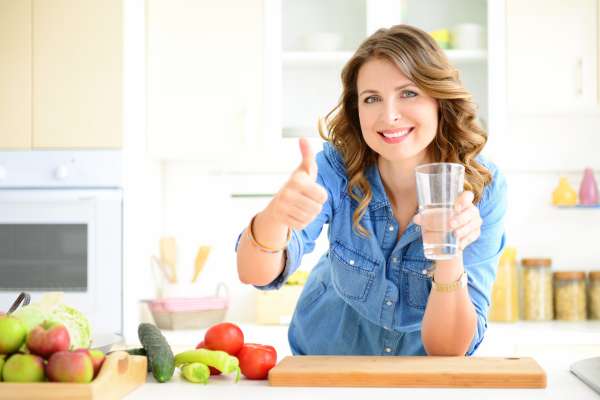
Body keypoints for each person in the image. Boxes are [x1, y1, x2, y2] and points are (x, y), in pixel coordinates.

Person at [235, 24, 506, 356]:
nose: (389, 116)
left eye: (408, 93)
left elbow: (448, 348)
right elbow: (254, 273)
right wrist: (276, 216)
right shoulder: (336, 168)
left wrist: (449, 253)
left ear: (439, 100)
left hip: (418, 379)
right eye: (372, 99)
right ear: (357, 109)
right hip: (325, 365)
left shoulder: (481, 187)